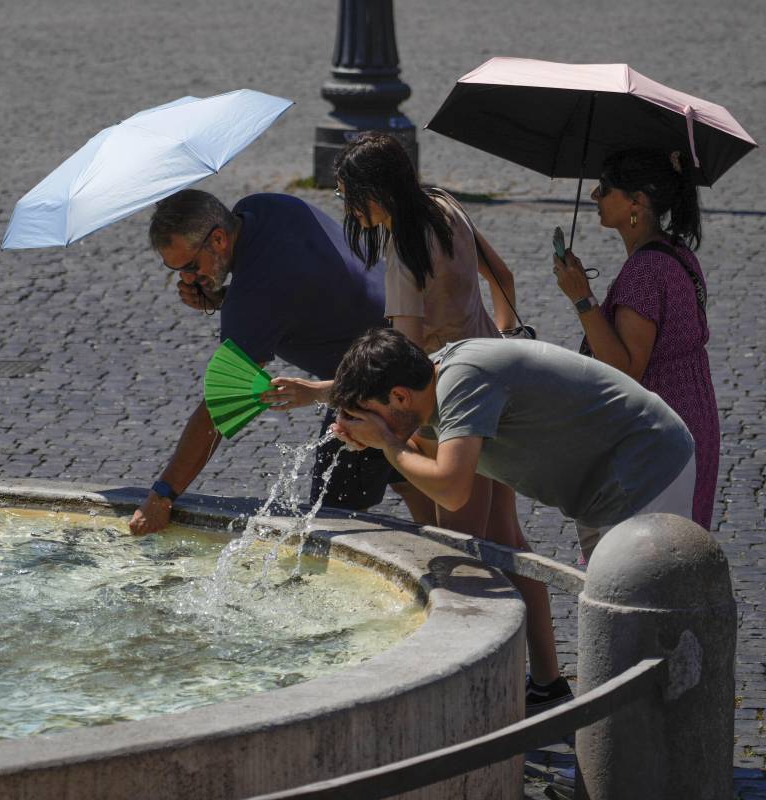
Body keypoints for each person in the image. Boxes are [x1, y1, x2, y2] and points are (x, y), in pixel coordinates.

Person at [266, 133, 566, 711]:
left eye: (350, 194)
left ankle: (469, 690)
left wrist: (321, 395)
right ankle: (547, 680)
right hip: (493, 379)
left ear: (376, 192)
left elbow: (403, 371)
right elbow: (500, 272)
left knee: (457, 550)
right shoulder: (444, 203)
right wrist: (501, 335)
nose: (346, 205)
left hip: (451, 403)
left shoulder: (403, 250)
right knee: (505, 538)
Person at [128, 189, 391, 535]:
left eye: (191, 267)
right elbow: (291, 287)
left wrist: (162, 495)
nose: (187, 280)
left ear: (219, 238)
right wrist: (223, 297)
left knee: (332, 526)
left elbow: (221, 407)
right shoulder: (262, 207)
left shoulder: (254, 301)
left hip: (381, 379)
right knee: (420, 484)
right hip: (410, 333)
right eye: (176, 271)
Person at [328, 328, 696, 565]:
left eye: (372, 414)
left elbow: (451, 489)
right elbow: (430, 462)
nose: (373, 424)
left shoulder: (464, 381)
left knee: (641, 614)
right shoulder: (433, 384)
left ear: (398, 395)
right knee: (614, 614)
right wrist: (376, 436)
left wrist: (388, 443)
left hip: (645, 464)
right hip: (603, 487)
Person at [553, 147, 718, 530]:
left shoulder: (645, 272)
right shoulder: (675, 253)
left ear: (637, 203)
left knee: (644, 558)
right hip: (690, 418)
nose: (595, 195)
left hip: (658, 432)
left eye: (606, 187)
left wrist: (582, 298)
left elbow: (626, 368)